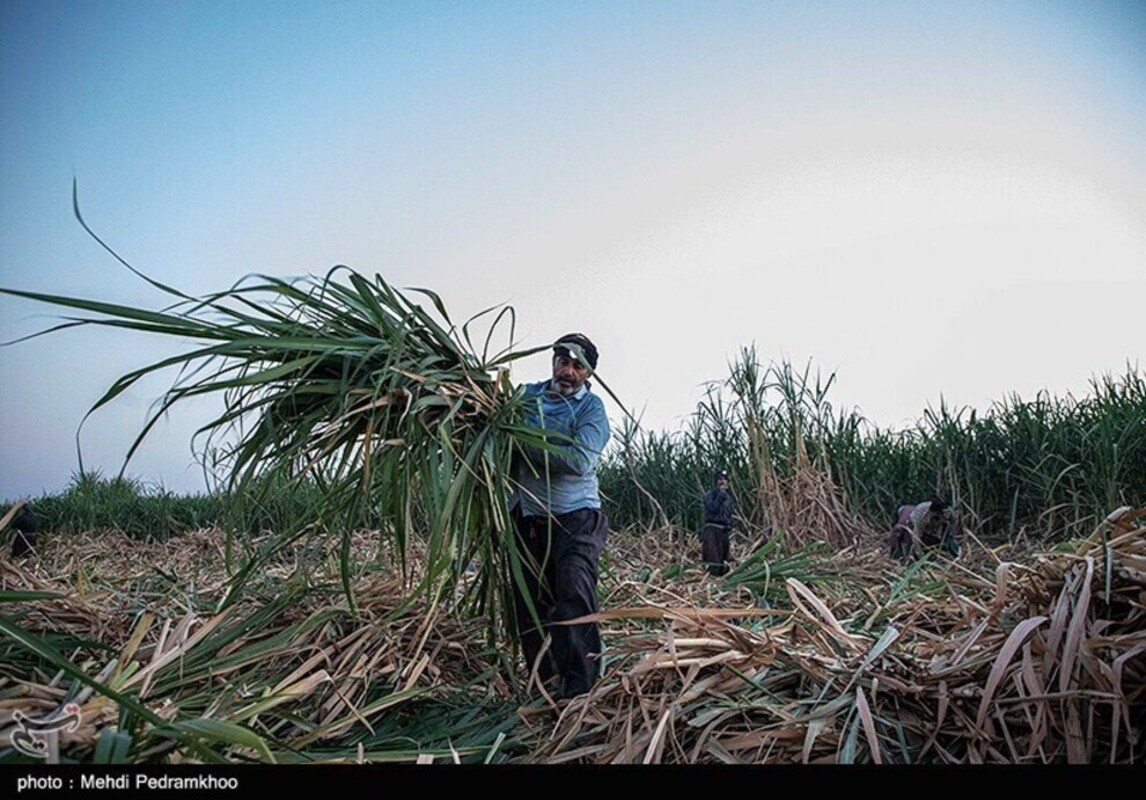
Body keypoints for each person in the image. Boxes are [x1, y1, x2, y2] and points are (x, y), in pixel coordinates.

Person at [509, 332, 611, 700]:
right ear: (553, 361)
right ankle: (544, 684)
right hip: (529, 520)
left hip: (577, 519)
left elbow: (579, 460)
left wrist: (521, 441)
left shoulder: (591, 409)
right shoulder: (525, 397)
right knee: (529, 605)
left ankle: (580, 689)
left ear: (588, 374)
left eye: (577, 365)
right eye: (562, 361)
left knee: (572, 589)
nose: (567, 371)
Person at [887, 496, 960, 562]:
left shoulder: (948, 511)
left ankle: (949, 553)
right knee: (905, 539)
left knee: (943, 540)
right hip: (912, 522)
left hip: (930, 519)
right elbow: (916, 537)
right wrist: (920, 556)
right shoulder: (921, 515)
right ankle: (903, 559)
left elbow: (953, 522)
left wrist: (950, 535)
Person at [701, 470, 734, 576]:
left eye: (724, 479)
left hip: (723, 531)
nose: (722, 481)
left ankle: (723, 580)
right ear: (716, 481)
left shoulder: (727, 498)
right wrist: (720, 496)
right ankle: (712, 582)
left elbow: (728, 514)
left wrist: (729, 525)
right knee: (714, 558)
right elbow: (712, 509)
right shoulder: (710, 495)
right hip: (712, 530)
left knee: (724, 558)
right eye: (720, 479)